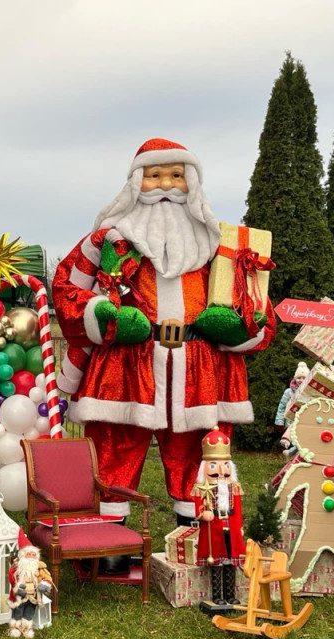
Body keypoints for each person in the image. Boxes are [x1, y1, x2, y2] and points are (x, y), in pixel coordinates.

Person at [52, 138, 275, 534]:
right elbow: (68, 287)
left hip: (197, 368)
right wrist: (104, 317)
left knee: (196, 452)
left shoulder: (217, 245)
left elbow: (255, 303)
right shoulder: (108, 240)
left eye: (176, 175)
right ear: (137, 182)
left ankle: (197, 539)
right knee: (115, 447)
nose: (166, 186)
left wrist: (236, 325)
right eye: (155, 176)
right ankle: (107, 547)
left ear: (191, 182)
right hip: (127, 365)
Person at [187, 429, 246, 606]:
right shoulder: (201, 488)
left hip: (231, 528)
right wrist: (203, 513)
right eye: (214, 465)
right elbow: (198, 506)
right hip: (214, 530)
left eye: (225, 465)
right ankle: (217, 596)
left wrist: (239, 526)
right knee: (217, 562)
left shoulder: (233, 488)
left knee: (230, 562)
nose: (221, 471)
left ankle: (230, 594)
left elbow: (239, 509)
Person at [7, 534, 54, 639]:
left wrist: (44, 584)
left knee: (29, 613)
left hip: (33, 597)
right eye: (29, 555)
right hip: (20, 597)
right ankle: (15, 628)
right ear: (23, 555)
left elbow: (47, 577)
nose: (32, 557)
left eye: (34, 555)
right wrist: (18, 588)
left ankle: (27, 629)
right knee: (18, 612)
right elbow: (12, 578)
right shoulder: (16, 568)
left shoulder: (39, 568)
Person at [274, 362, 309, 451]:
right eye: (299, 378)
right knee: (294, 440)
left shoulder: (310, 392)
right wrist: (279, 422)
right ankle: (288, 447)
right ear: (295, 378)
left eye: (304, 378)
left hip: (306, 422)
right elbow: (282, 407)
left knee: (304, 443)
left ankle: (295, 456)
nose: (301, 380)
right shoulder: (288, 392)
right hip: (291, 422)